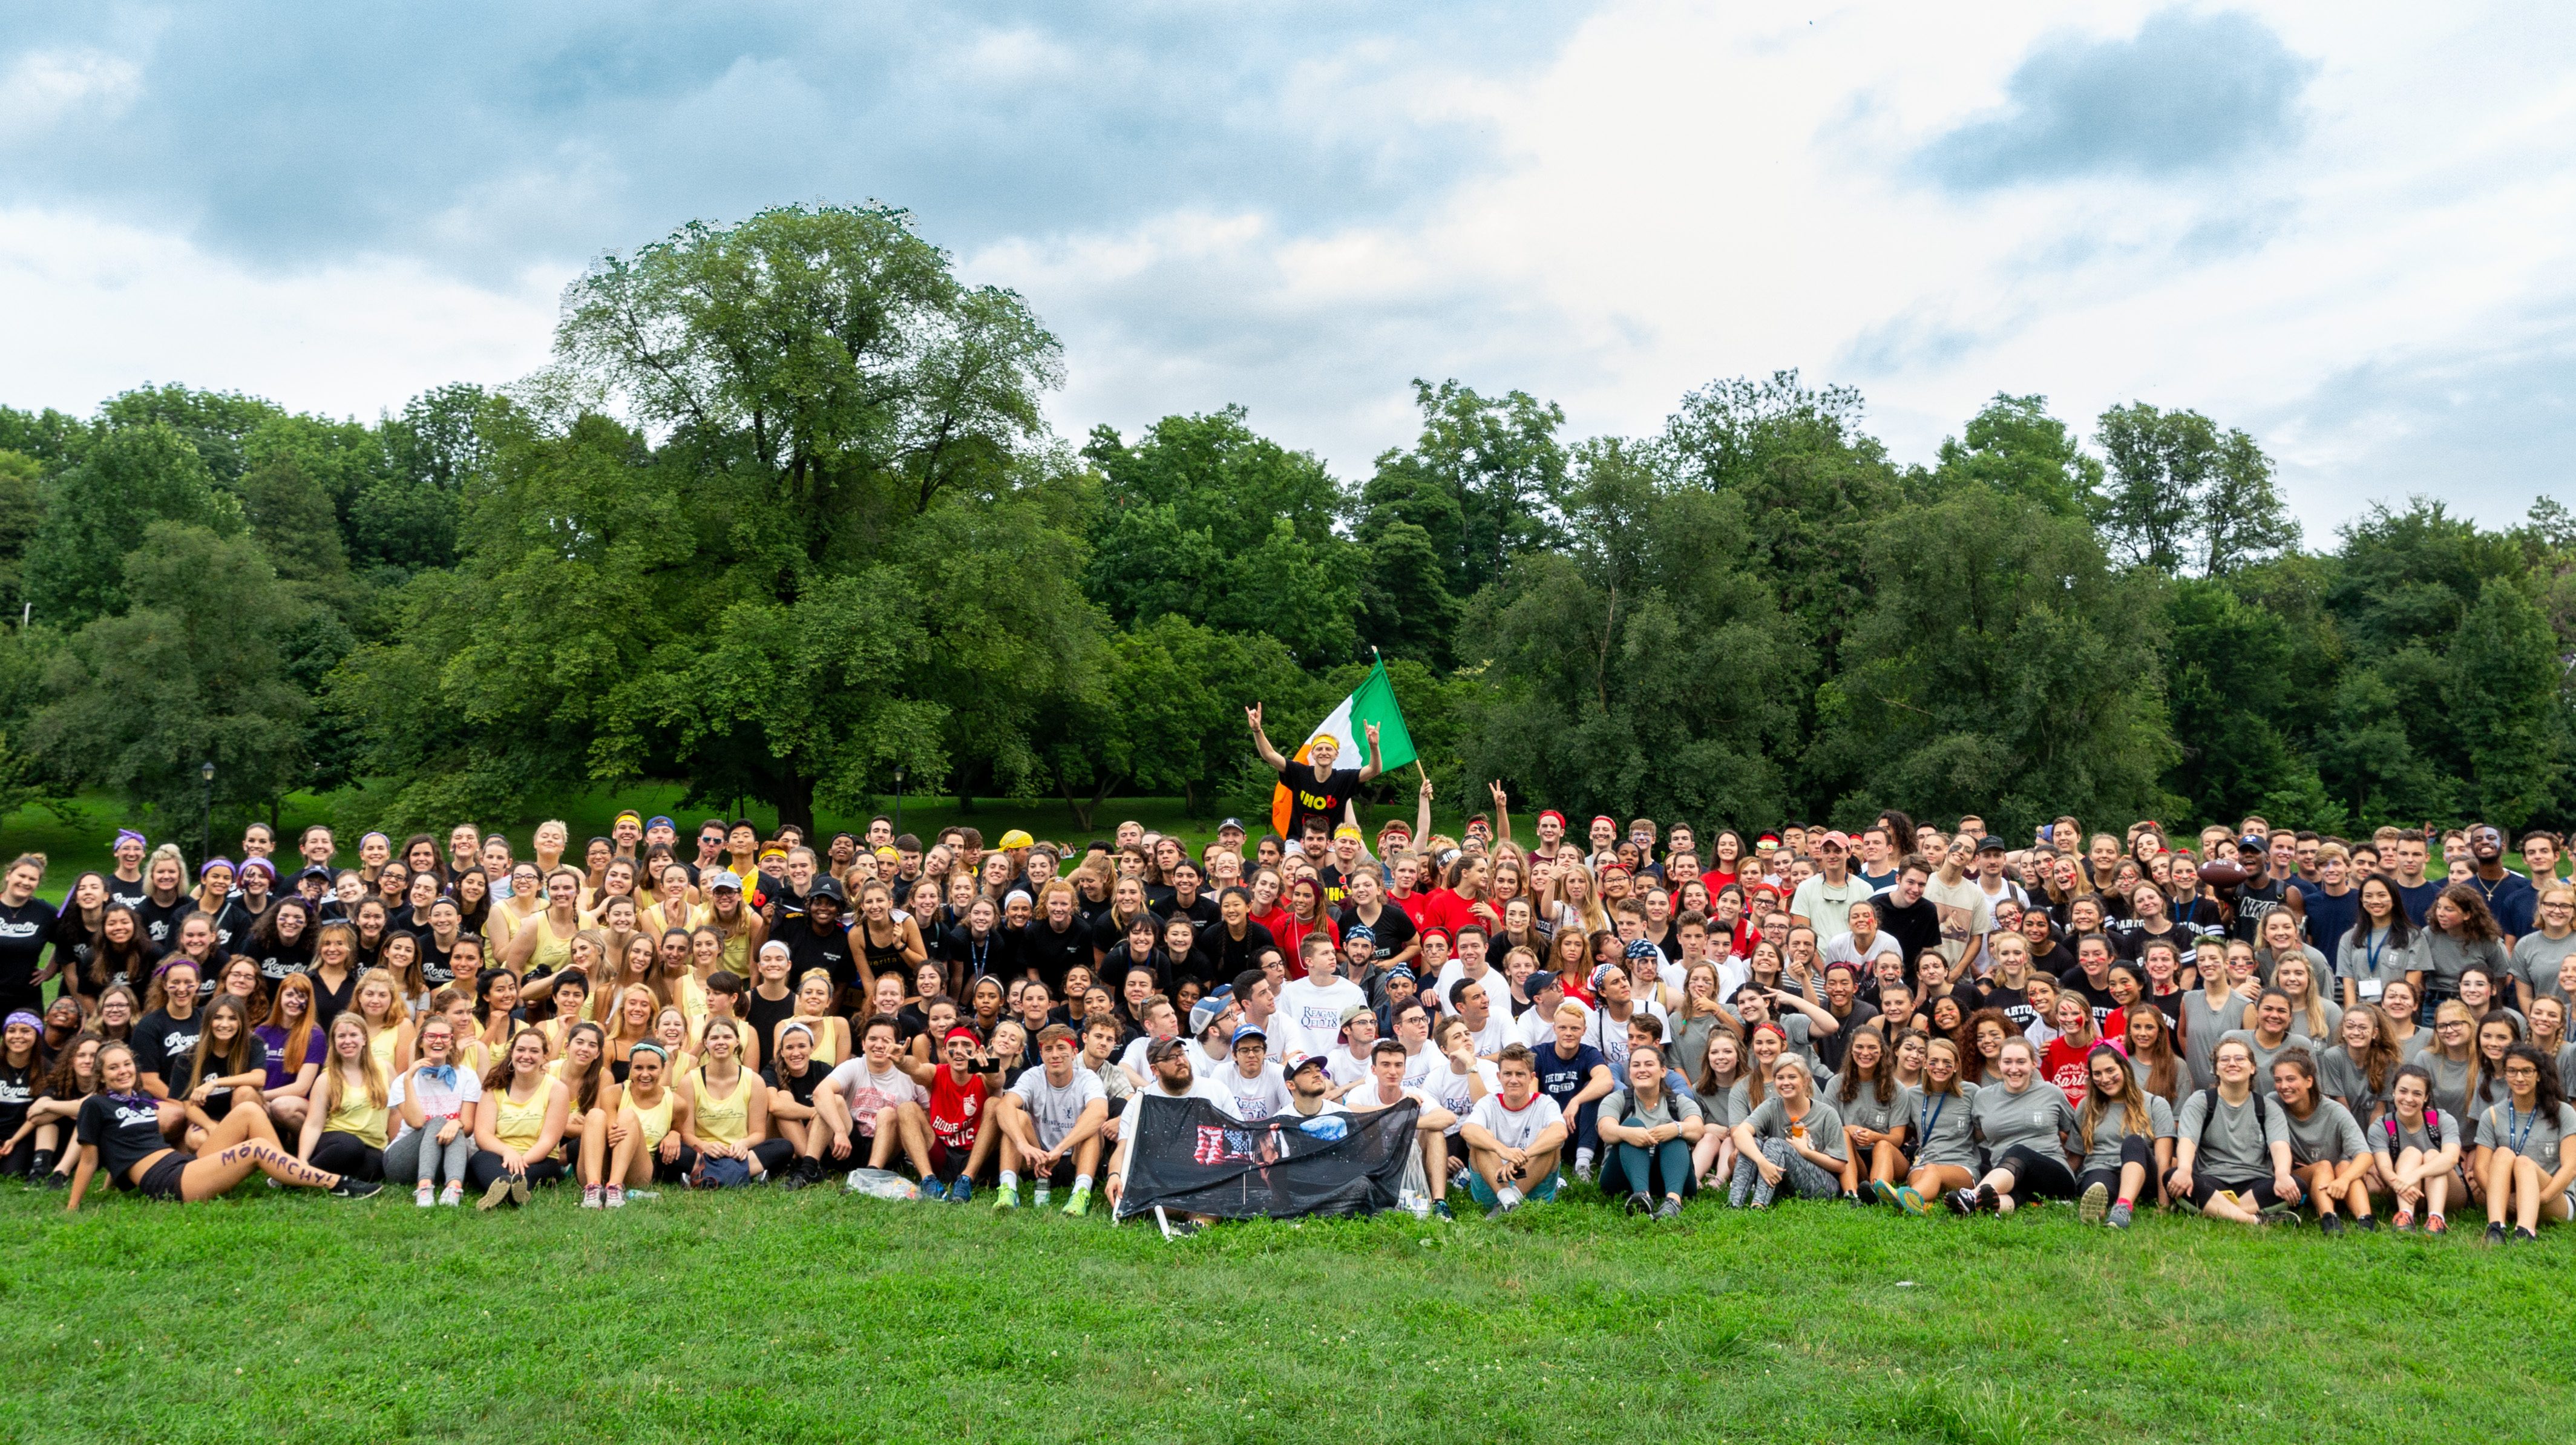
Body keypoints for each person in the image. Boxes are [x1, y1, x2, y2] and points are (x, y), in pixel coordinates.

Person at [67, 1041, 382, 1208]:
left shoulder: (142, 1102)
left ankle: (287, 1174)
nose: (122, 1071)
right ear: (101, 1075)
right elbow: (92, 1156)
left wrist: (112, 1184)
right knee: (256, 1149)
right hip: (166, 1182)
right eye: (113, 1068)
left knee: (248, 1110)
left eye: (126, 1065)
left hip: (181, 1165)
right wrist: (73, 1206)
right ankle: (336, 1183)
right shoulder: (96, 1105)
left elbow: (120, 1149)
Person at [2170, 1037, 2299, 1227]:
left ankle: (2209, 1209)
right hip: (2212, 1180)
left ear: (2253, 1067)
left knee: (2298, 1187)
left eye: (2240, 1059)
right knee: (2173, 1176)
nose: (2232, 1064)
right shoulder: (2201, 1102)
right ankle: (2254, 1220)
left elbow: (2279, 1146)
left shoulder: (2267, 1107)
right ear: (2215, 1069)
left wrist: (2282, 1175)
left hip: (2255, 1183)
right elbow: (2187, 1141)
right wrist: (2184, 1169)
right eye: (2224, 1060)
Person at [990, 1023, 1109, 1215]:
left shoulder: (1087, 1078)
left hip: (1074, 1158)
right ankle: (1008, 1190)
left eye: (1061, 1048)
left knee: (1090, 1124)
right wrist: (1023, 1145)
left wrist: (1059, 1149)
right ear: (1042, 1054)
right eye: (1048, 1049)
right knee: (1016, 1116)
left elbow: (1100, 1112)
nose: (1054, 1055)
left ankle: (1080, 1193)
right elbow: (1004, 1106)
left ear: (1074, 1053)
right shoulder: (1033, 1076)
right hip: (1037, 1159)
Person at [1952, 1037, 2079, 1216]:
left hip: (2054, 1176)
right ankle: (1978, 1205)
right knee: (2005, 1196)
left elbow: (2074, 1133)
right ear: (1999, 1064)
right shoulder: (1983, 1097)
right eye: (2007, 1062)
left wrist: (2073, 1165)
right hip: (2009, 1178)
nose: (2014, 1069)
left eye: (2021, 1062)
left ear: (2034, 1063)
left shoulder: (2051, 1093)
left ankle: (1972, 1196)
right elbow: (1976, 1136)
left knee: (2019, 1151)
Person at [2474, 1043, 2576, 1243]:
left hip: (2555, 1198)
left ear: (2539, 1075)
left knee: (2523, 1162)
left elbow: (2571, 1167)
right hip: (2510, 1199)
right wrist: (2506, 1201)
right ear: (2504, 1074)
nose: (2519, 1078)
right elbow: (2480, 1168)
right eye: (2512, 1071)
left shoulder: (2563, 1112)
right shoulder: (2492, 1115)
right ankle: (2496, 1227)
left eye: (2527, 1071)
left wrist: (2542, 1199)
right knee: (2503, 1153)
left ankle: (2525, 1231)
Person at [1457, 1043, 1567, 1217]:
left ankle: (1510, 1202)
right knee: (1482, 1136)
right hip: (1493, 1187)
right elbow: (1467, 1131)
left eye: (1520, 1074)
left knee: (1548, 1137)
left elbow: (1560, 1133)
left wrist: (1522, 1156)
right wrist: (1503, 1151)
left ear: (1531, 1078)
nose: (1513, 1080)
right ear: (1499, 1076)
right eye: (1508, 1074)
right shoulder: (1488, 1103)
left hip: (1533, 1187)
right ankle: (1508, 1199)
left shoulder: (1545, 1102)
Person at [2272, 1048, 2374, 1233]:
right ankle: (2329, 1218)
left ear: (2309, 1080)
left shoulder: (2334, 1110)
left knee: (2345, 1167)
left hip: (2336, 1184)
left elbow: (2365, 1156)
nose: (2284, 1086)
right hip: (2299, 1181)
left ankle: (2366, 1220)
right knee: (2324, 1166)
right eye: (2278, 1080)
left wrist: (2343, 1180)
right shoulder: (2273, 1104)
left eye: (2291, 1079)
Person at [469, 1029, 572, 1208]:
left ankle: (507, 1188)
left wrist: (521, 1161)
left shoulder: (557, 1090)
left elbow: (548, 1140)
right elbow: (483, 1134)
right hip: (499, 1155)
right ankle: (512, 1191)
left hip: (540, 1158)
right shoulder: (494, 1085)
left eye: (534, 1051)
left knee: (527, 1173)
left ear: (545, 1057)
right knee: (480, 1160)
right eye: (521, 1050)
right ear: (512, 1053)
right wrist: (508, 1154)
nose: (526, 1056)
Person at [1728, 1053, 1846, 1208]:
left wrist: (1806, 1153)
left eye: (1792, 1077)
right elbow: (1740, 1133)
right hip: (1782, 1181)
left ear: (1806, 1081)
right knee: (1754, 1143)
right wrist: (1761, 1162)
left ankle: (1759, 1205)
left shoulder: (1826, 1114)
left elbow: (1840, 1165)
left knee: (1775, 1144)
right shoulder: (1771, 1106)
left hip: (1823, 1186)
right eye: (1780, 1078)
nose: (1786, 1083)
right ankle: (1734, 1203)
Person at [1598, 1041, 1701, 1219]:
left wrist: (1675, 1128)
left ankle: (1673, 1202)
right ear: (1630, 1073)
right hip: (1622, 1177)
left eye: (1649, 1064)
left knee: (1676, 1133)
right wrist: (1629, 1133)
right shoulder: (1617, 1099)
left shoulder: (1678, 1101)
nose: (1642, 1070)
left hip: (1669, 1175)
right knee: (1632, 1126)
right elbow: (1605, 1130)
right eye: (1636, 1065)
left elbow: (1698, 1129)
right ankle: (1641, 1197)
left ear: (1663, 1072)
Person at [2371, 1064, 2459, 1233]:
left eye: (2417, 1094)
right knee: (2411, 1153)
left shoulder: (2442, 1119)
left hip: (2448, 1192)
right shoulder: (2382, 1126)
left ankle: (2436, 1218)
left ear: (2426, 1097)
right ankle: (2405, 1215)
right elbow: (2384, 1168)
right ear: (2394, 1092)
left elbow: (2451, 1158)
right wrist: (2401, 1184)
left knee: (2433, 1154)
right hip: (2402, 1190)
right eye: (2403, 1091)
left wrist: (2415, 1175)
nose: (2409, 1099)